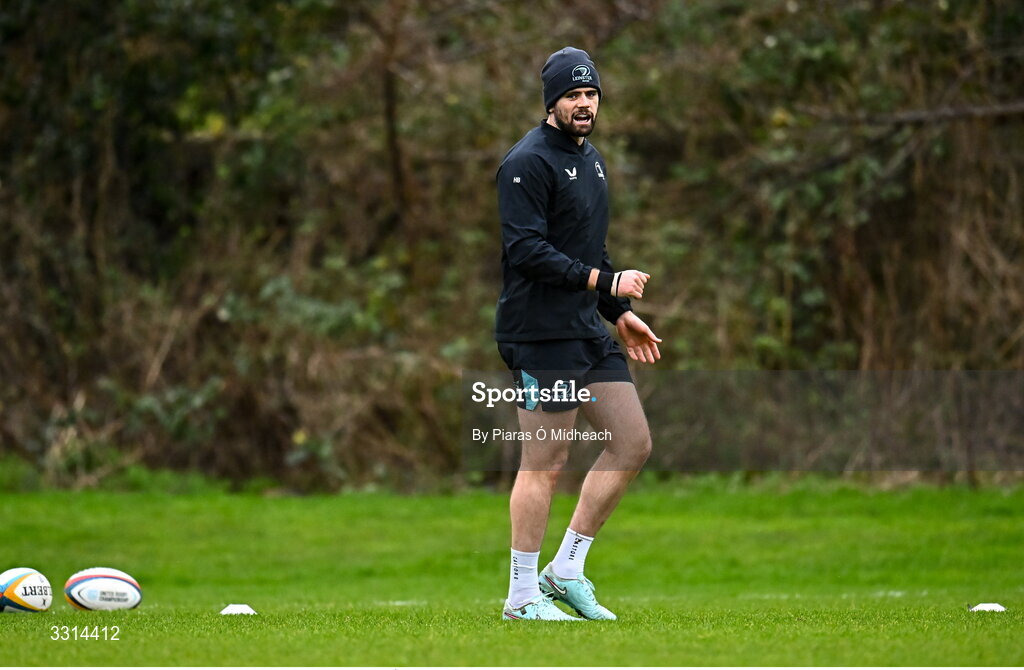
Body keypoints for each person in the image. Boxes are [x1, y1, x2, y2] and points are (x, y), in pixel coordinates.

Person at [495, 46, 662, 621]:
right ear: (552, 102)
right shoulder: (527, 161)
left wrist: (616, 309)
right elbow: (527, 251)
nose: (584, 104)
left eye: (591, 94)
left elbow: (591, 251)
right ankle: (520, 597)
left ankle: (566, 570)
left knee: (632, 442)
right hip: (539, 332)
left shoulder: (591, 160)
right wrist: (603, 279)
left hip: (583, 326)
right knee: (545, 460)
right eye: (573, 95)